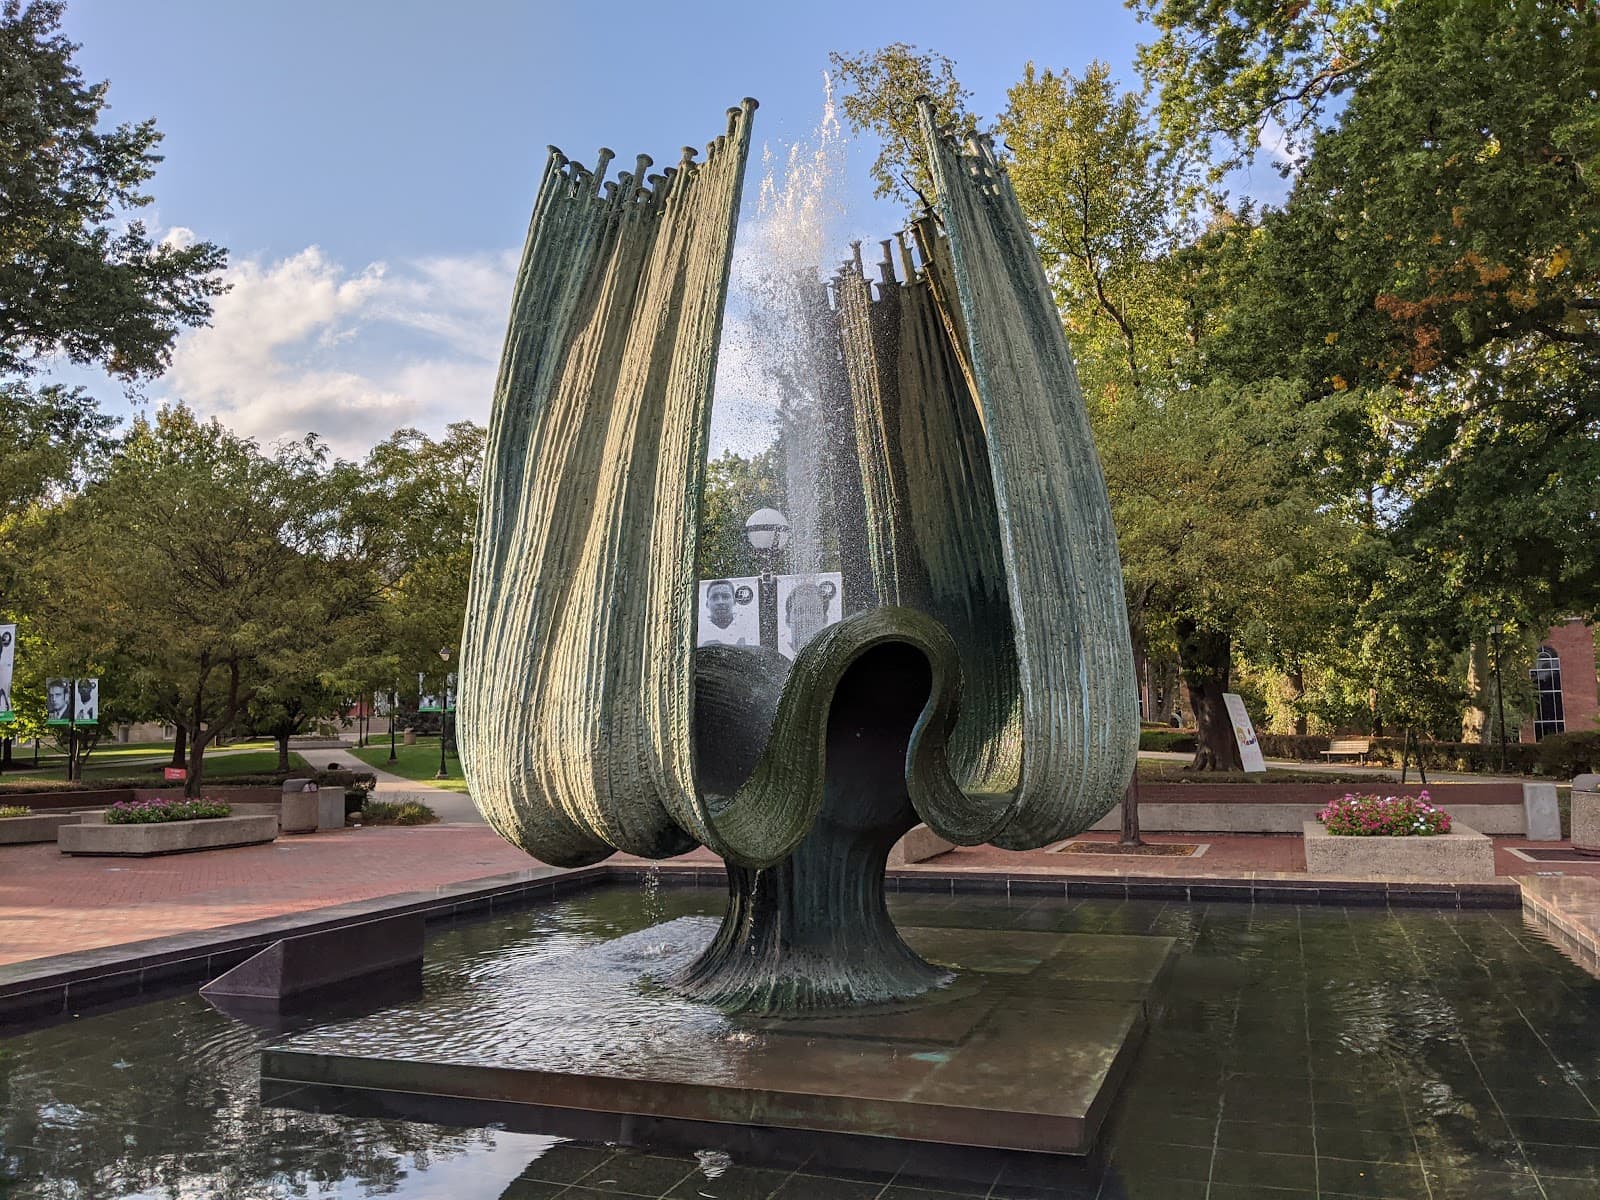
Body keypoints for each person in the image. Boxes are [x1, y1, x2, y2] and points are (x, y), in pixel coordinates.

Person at [700, 579, 751, 647]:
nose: (720, 602)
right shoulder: (699, 631)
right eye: (714, 597)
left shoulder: (748, 629)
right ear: (707, 604)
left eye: (726, 597)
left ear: (734, 601)